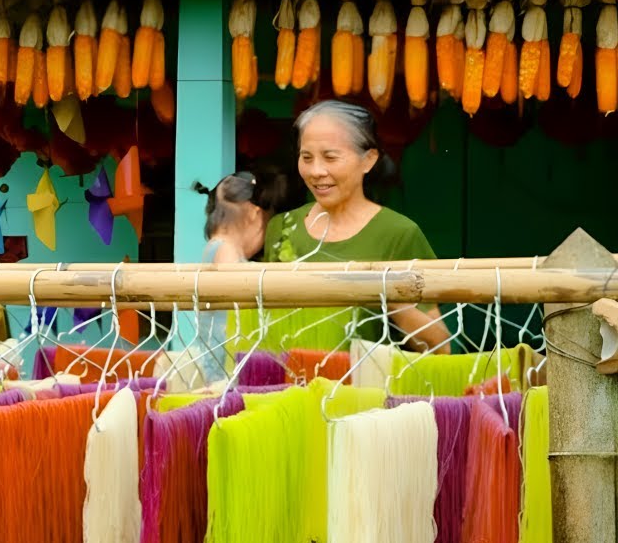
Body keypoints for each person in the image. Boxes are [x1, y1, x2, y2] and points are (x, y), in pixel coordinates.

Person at [264, 99, 451, 353]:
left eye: (330, 157)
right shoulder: (282, 227)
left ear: (368, 160)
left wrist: (385, 293)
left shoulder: (398, 233)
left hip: (363, 388)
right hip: (287, 388)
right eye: (306, 157)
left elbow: (439, 347)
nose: (316, 170)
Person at [192, 169, 288, 382]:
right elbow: (237, 286)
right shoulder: (226, 249)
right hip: (227, 363)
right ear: (255, 214)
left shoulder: (215, 246)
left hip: (221, 358)